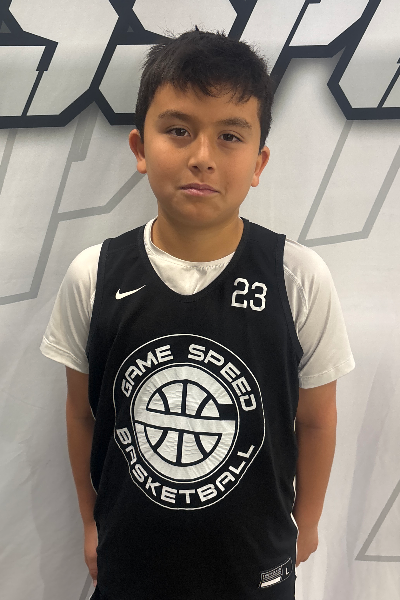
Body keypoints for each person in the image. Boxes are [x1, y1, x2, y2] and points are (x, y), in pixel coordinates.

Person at [40, 29, 355, 600]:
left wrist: (306, 524)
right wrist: (90, 520)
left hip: (254, 565)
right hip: (129, 560)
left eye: (229, 135)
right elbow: (81, 414)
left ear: (258, 161)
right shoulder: (93, 275)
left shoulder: (299, 276)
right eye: (178, 130)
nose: (202, 157)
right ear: (140, 148)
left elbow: (316, 420)